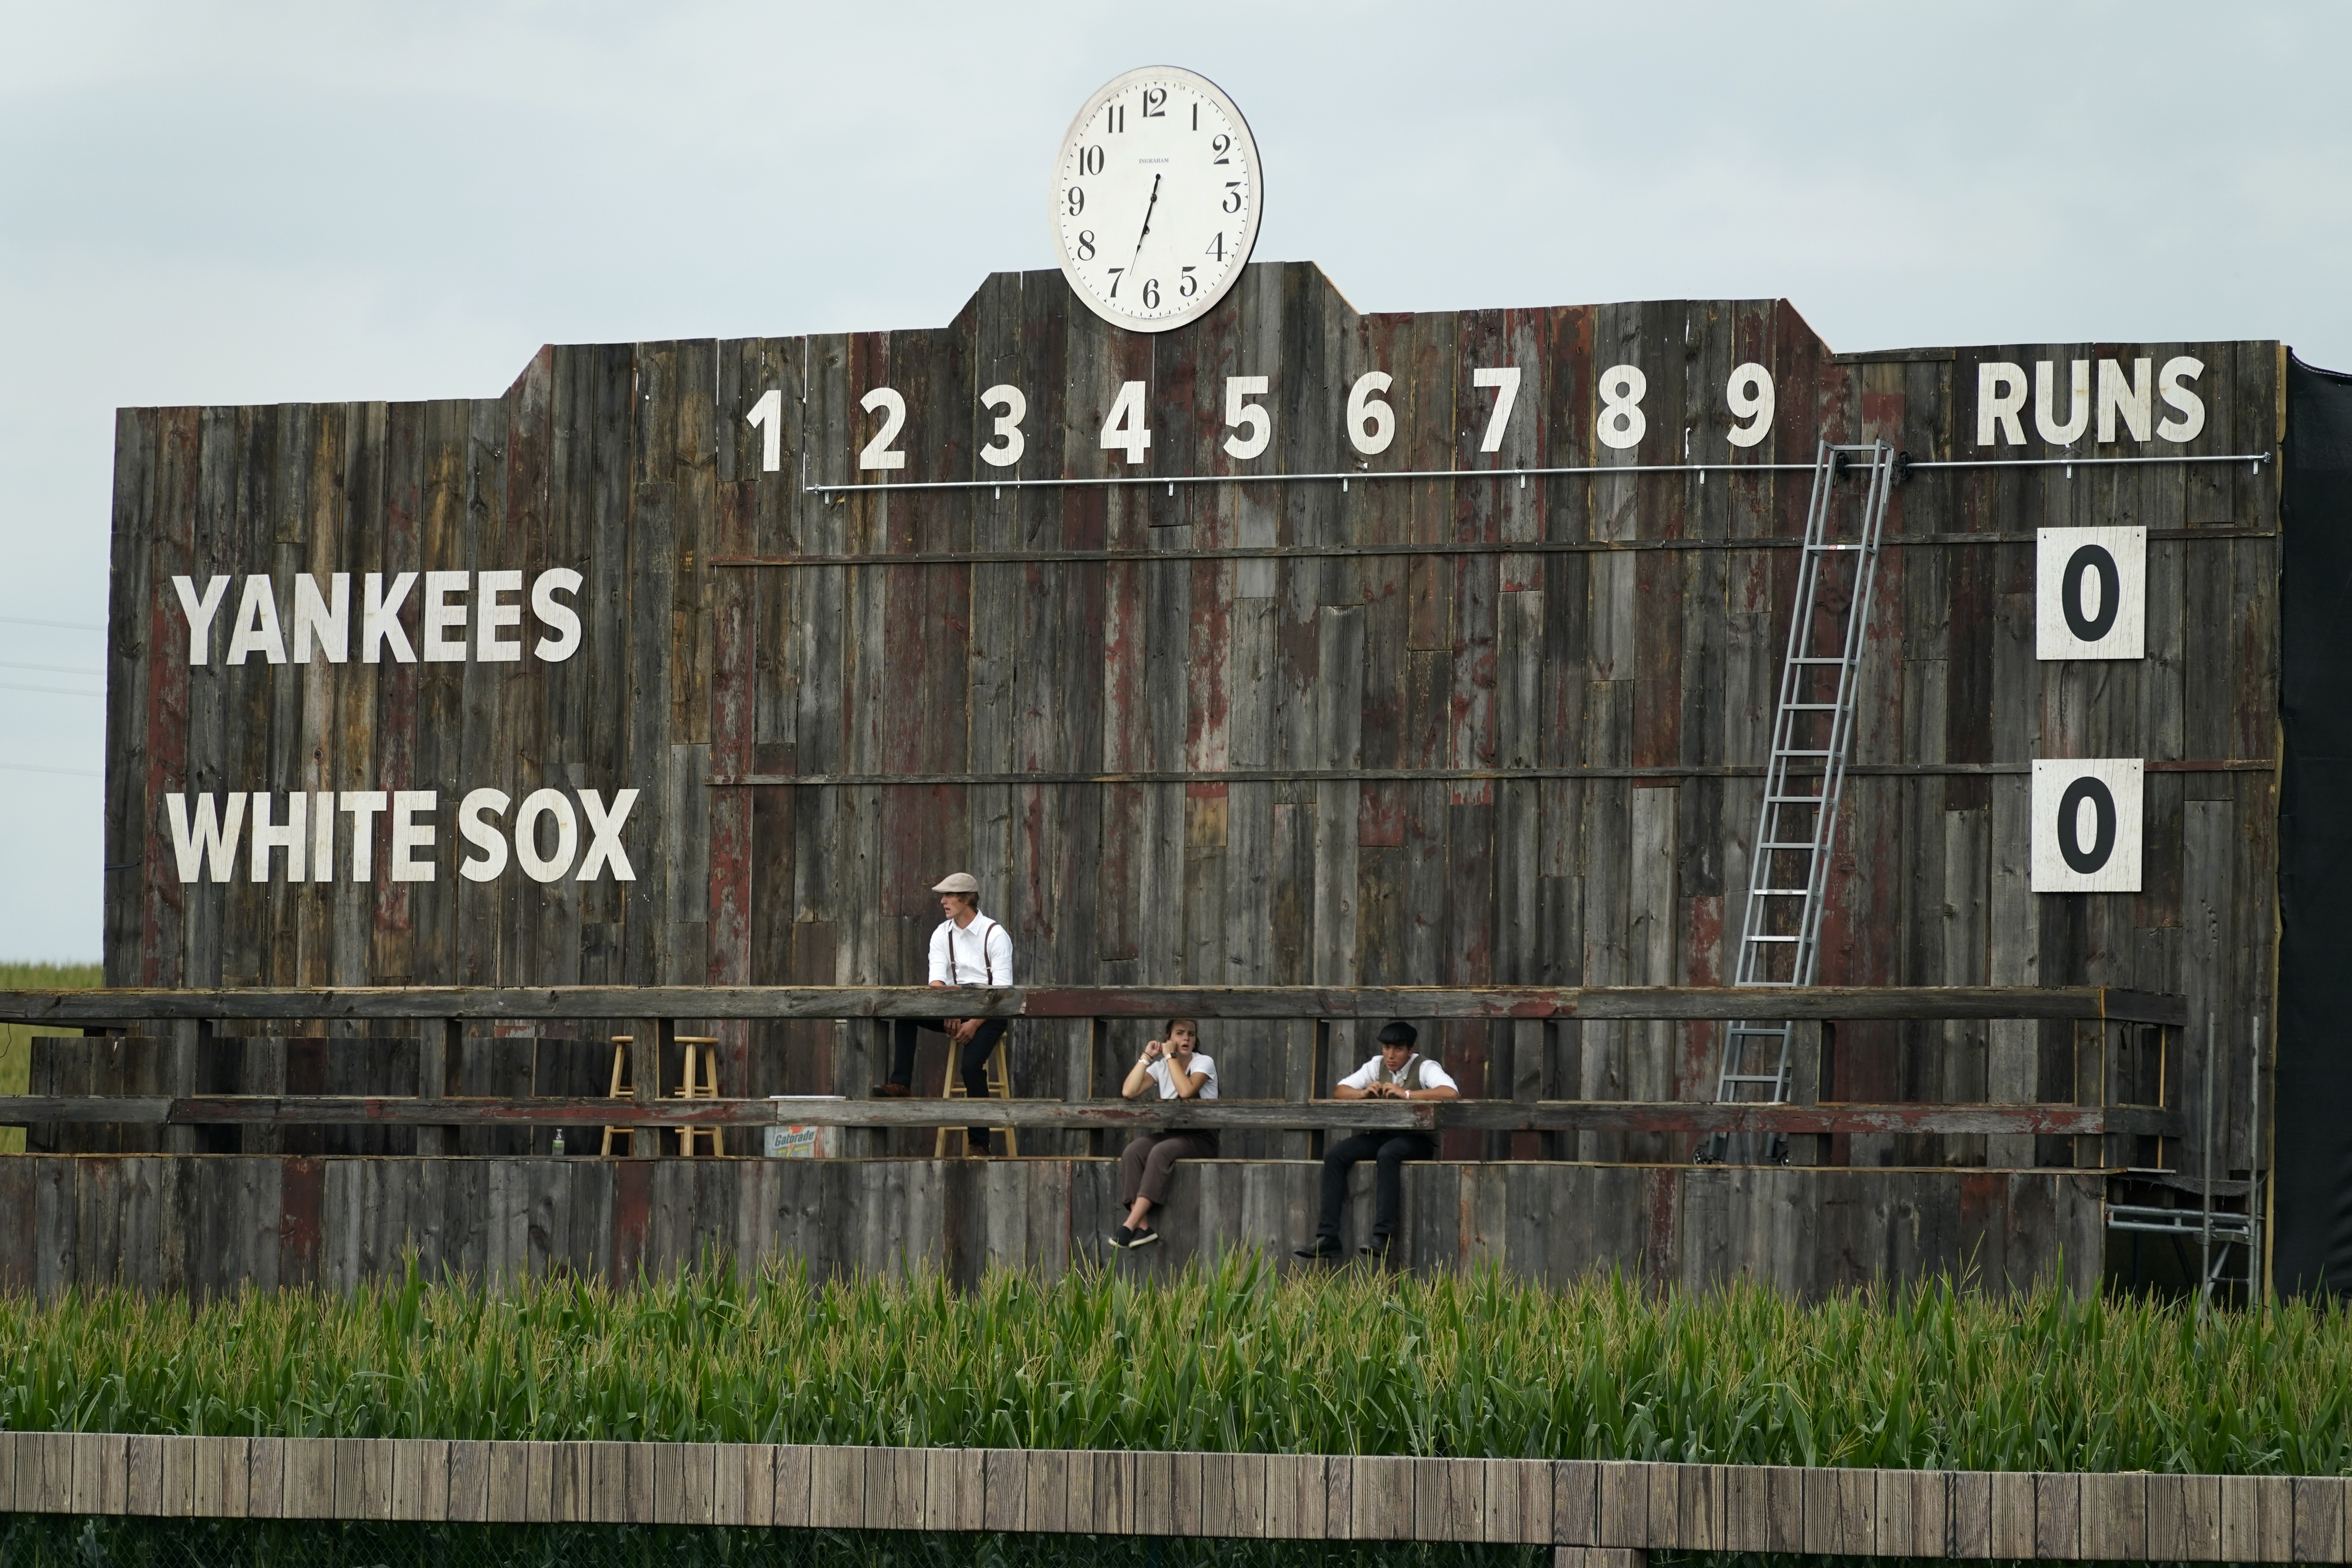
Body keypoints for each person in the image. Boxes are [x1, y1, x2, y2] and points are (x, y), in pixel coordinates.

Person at [873, 872, 1015, 1155]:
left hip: (991, 1011)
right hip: (952, 1004)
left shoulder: (995, 934)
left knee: (971, 1066)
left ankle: (979, 1143)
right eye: (944, 896)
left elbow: (1002, 993)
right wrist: (948, 1010)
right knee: (906, 1012)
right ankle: (901, 1082)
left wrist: (973, 1023)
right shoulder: (942, 933)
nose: (943, 901)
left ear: (966, 899)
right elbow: (936, 981)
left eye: (949, 896)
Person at [1294, 1020, 1459, 1262]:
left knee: (1389, 1154)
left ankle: (1382, 1236)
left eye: (1398, 1049)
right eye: (1387, 1048)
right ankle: (1328, 1237)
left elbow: (1450, 1092)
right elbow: (1341, 1090)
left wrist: (1408, 1094)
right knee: (1335, 1155)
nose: (1391, 1055)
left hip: (1417, 1139)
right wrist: (1363, 1093)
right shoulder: (1376, 1065)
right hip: (1382, 1136)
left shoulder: (1425, 1067)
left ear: (1410, 1051)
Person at [1108, 1019, 1218, 1251]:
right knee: (1133, 1151)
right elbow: (1129, 1091)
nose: (1187, 1039)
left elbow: (1186, 1091)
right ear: (1169, 1039)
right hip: (1173, 1134)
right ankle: (1145, 1227)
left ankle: (1129, 1224)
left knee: (1160, 1151)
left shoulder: (1204, 1063)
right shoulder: (1160, 1068)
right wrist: (1147, 1057)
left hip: (1202, 1137)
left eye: (1191, 1034)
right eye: (1180, 1034)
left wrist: (1170, 1058)